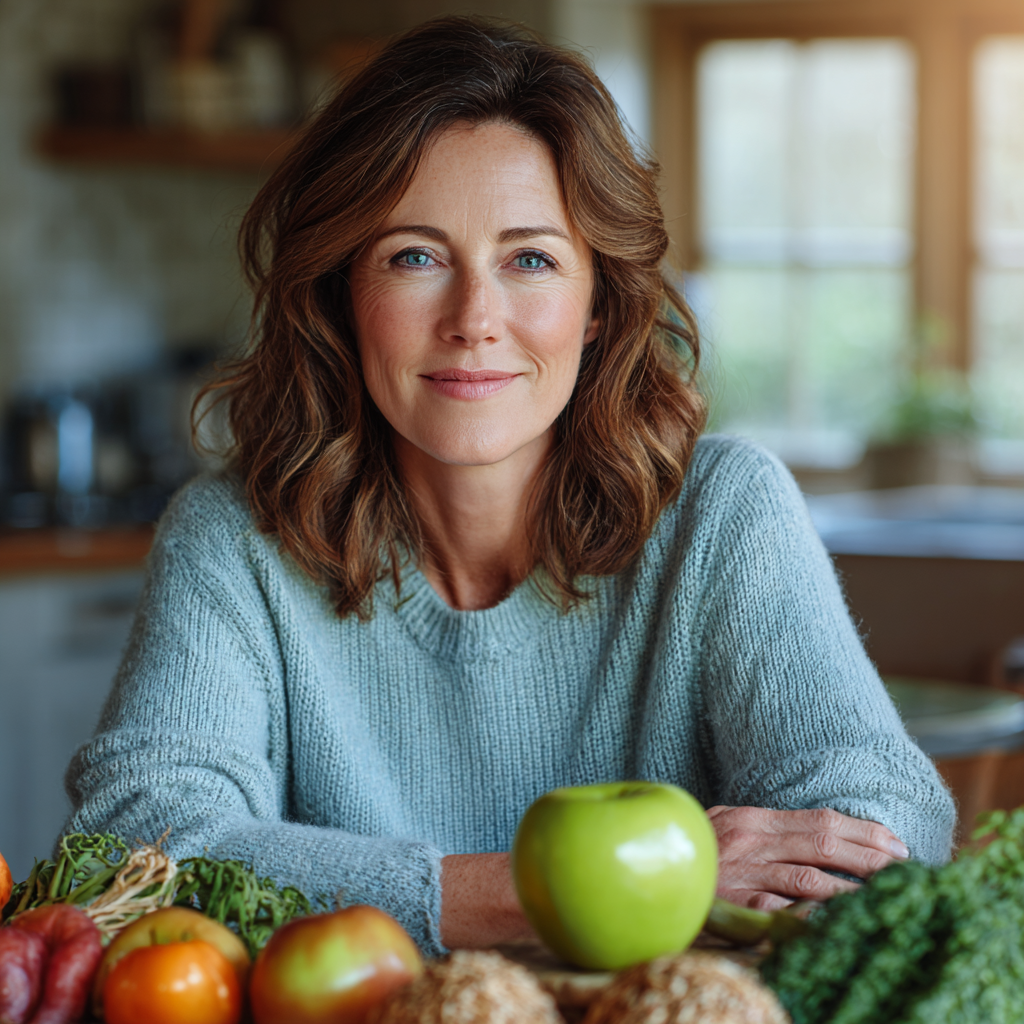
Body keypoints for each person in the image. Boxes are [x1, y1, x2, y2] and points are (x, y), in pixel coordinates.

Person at [63, 16, 954, 957]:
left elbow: (880, 829)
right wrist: (608, 886)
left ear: (600, 303)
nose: (474, 319)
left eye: (530, 259)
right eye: (415, 256)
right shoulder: (233, 537)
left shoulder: (720, 512)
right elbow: (133, 853)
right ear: (339, 291)